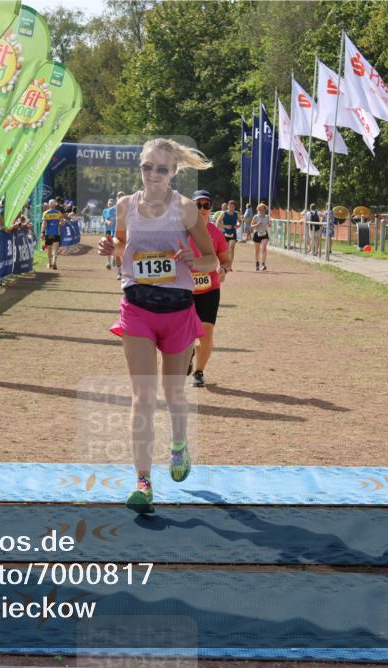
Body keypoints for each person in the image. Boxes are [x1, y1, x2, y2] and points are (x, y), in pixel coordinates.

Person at [96, 138, 217, 514]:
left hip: (179, 310)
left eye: (161, 169)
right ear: (141, 167)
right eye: (147, 167)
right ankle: (143, 482)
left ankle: (179, 445)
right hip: (137, 308)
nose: (153, 175)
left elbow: (212, 261)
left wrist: (193, 262)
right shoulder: (125, 205)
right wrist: (109, 249)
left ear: (174, 172)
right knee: (143, 397)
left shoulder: (185, 210)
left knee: (174, 395)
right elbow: (121, 247)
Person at [188, 190, 231, 388]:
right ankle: (186, 355)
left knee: (206, 332)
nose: (203, 209)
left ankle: (199, 371)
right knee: (184, 333)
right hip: (183, 289)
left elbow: (225, 260)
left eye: (207, 205)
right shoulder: (180, 231)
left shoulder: (216, 233)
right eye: (199, 205)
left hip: (209, 289)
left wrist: (223, 269)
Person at [41, 198, 65, 270]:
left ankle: (49, 263)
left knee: (49, 249)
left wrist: (42, 232)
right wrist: (62, 222)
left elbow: (44, 223)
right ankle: (54, 261)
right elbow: (62, 223)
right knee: (55, 249)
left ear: (49, 205)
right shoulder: (58, 213)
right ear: (55, 205)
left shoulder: (45, 213)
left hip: (48, 233)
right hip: (56, 233)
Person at [219, 201, 240, 269]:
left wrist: (238, 226)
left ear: (234, 207)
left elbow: (240, 221)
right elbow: (218, 222)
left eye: (233, 207)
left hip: (233, 233)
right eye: (230, 206)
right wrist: (225, 226)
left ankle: (230, 265)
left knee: (231, 248)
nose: (231, 208)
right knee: (226, 249)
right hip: (225, 233)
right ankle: (225, 263)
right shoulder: (224, 213)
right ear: (228, 206)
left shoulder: (236, 214)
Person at [251, 202, 270, 271]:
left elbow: (269, 224)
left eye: (262, 210)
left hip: (264, 234)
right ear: (258, 210)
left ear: (265, 210)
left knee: (264, 248)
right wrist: (257, 225)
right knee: (257, 250)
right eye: (260, 210)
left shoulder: (267, 216)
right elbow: (252, 226)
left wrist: (270, 224)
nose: (261, 211)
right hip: (257, 234)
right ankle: (257, 263)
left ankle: (263, 264)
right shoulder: (256, 216)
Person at [102, 198, 117, 271]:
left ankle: (114, 258)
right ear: (107, 204)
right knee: (107, 245)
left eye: (111, 203)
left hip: (115, 230)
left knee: (114, 245)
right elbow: (102, 219)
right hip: (107, 231)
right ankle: (108, 262)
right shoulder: (104, 211)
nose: (110, 204)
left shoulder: (116, 210)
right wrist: (106, 221)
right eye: (109, 203)